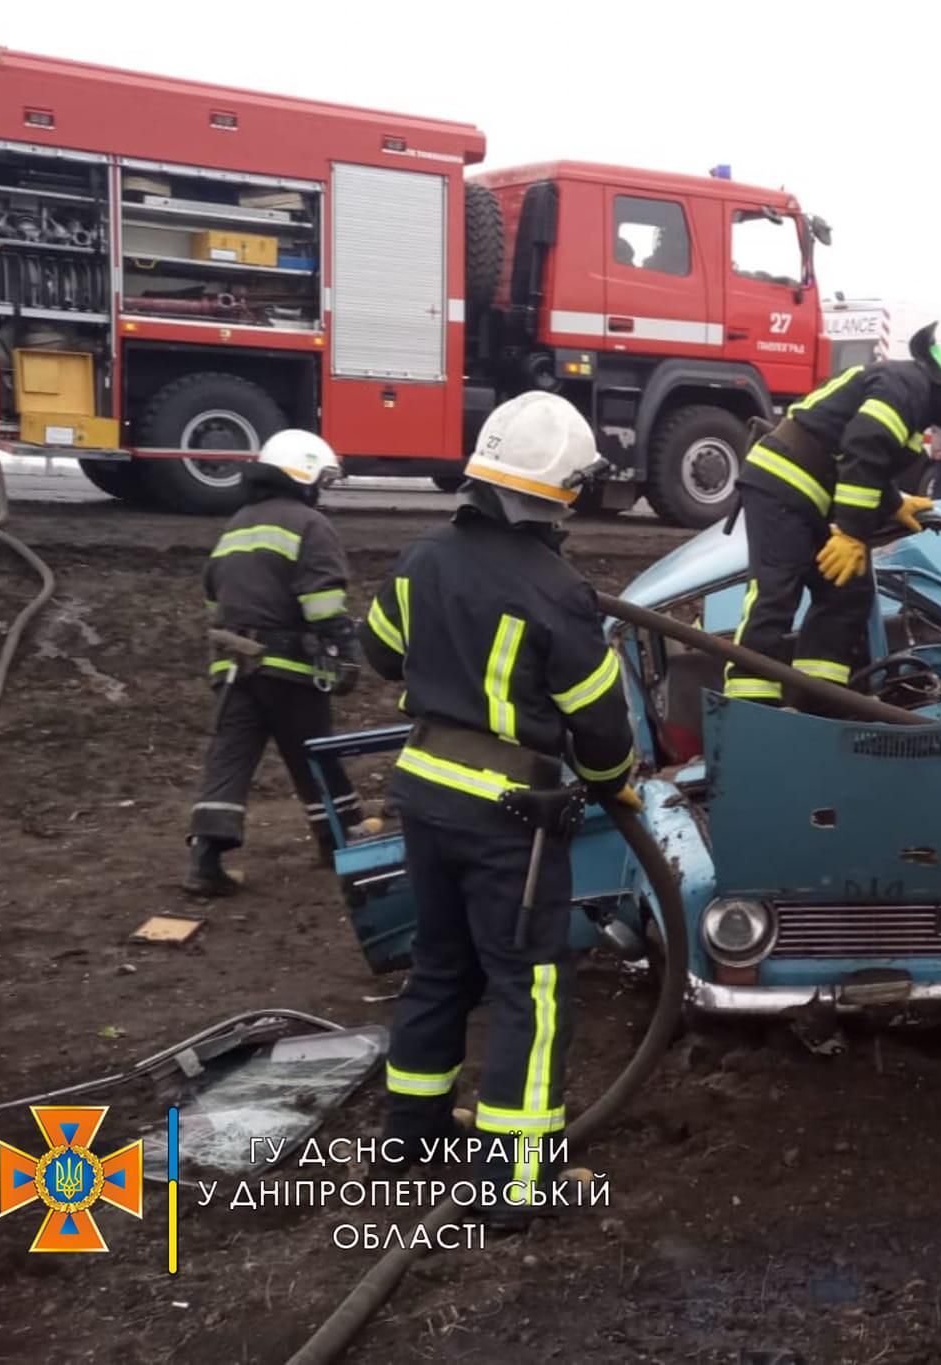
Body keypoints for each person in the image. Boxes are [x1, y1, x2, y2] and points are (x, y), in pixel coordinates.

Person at [360, 391, 636, 1227]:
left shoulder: (420, 559)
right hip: (507, 814)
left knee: (441, 963)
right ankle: (516, 1184)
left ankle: (407, 1141)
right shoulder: (558, 590)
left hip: (424, 788)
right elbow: (601, 725)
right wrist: (613, 778)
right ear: (563, 490)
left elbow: (379, 654)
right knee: (532, 987)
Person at [724, 322, 941, 703]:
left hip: (815, 492)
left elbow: (863, 459)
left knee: (847, 595)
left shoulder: (909, 394)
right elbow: (863, 447)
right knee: (776, 594)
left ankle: (819, 701)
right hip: (781, 483)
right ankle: (747, 707)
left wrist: (892, 503)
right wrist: (851, 533)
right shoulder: (904, 388)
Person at [183, 429, 369, 896]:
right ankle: (341, 841)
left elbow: (213, 596)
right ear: (303, 474)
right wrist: (344, 651)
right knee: (314, 753)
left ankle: (205, 858)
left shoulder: (237, 524)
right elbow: (322, 600)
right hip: (286, 665)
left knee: (230, 757)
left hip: (232, 665)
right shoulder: (309, 524)